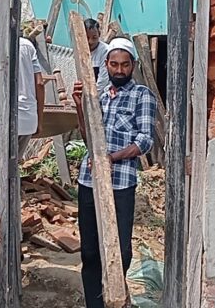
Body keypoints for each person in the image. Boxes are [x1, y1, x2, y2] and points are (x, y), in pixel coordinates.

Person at [71, 37, 157, 308]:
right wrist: (79, 105)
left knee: (120, 250)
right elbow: (89, 139)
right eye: (114, 64)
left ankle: (116, 298)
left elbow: (145, 141)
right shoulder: (97, 95)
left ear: (134, 65)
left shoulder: (141, 95)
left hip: (121, 184)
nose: (119, 70)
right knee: (89, 250)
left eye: (125, 65)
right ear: (106, 65)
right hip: (89, 180)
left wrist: (112, 158)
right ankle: (93, 303)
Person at [17, 36, 45, 161]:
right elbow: (39, 83)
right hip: (27, 117)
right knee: (13, 165)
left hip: (3, 118)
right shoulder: (27, 46)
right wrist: (39, 120)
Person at [84, 18, 110, 94]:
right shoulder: (80, 50)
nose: (90, 42)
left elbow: (103, 81)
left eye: (94, 37)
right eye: (87, 38)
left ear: (99, 34)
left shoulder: (105, 50)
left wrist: (92, 97)